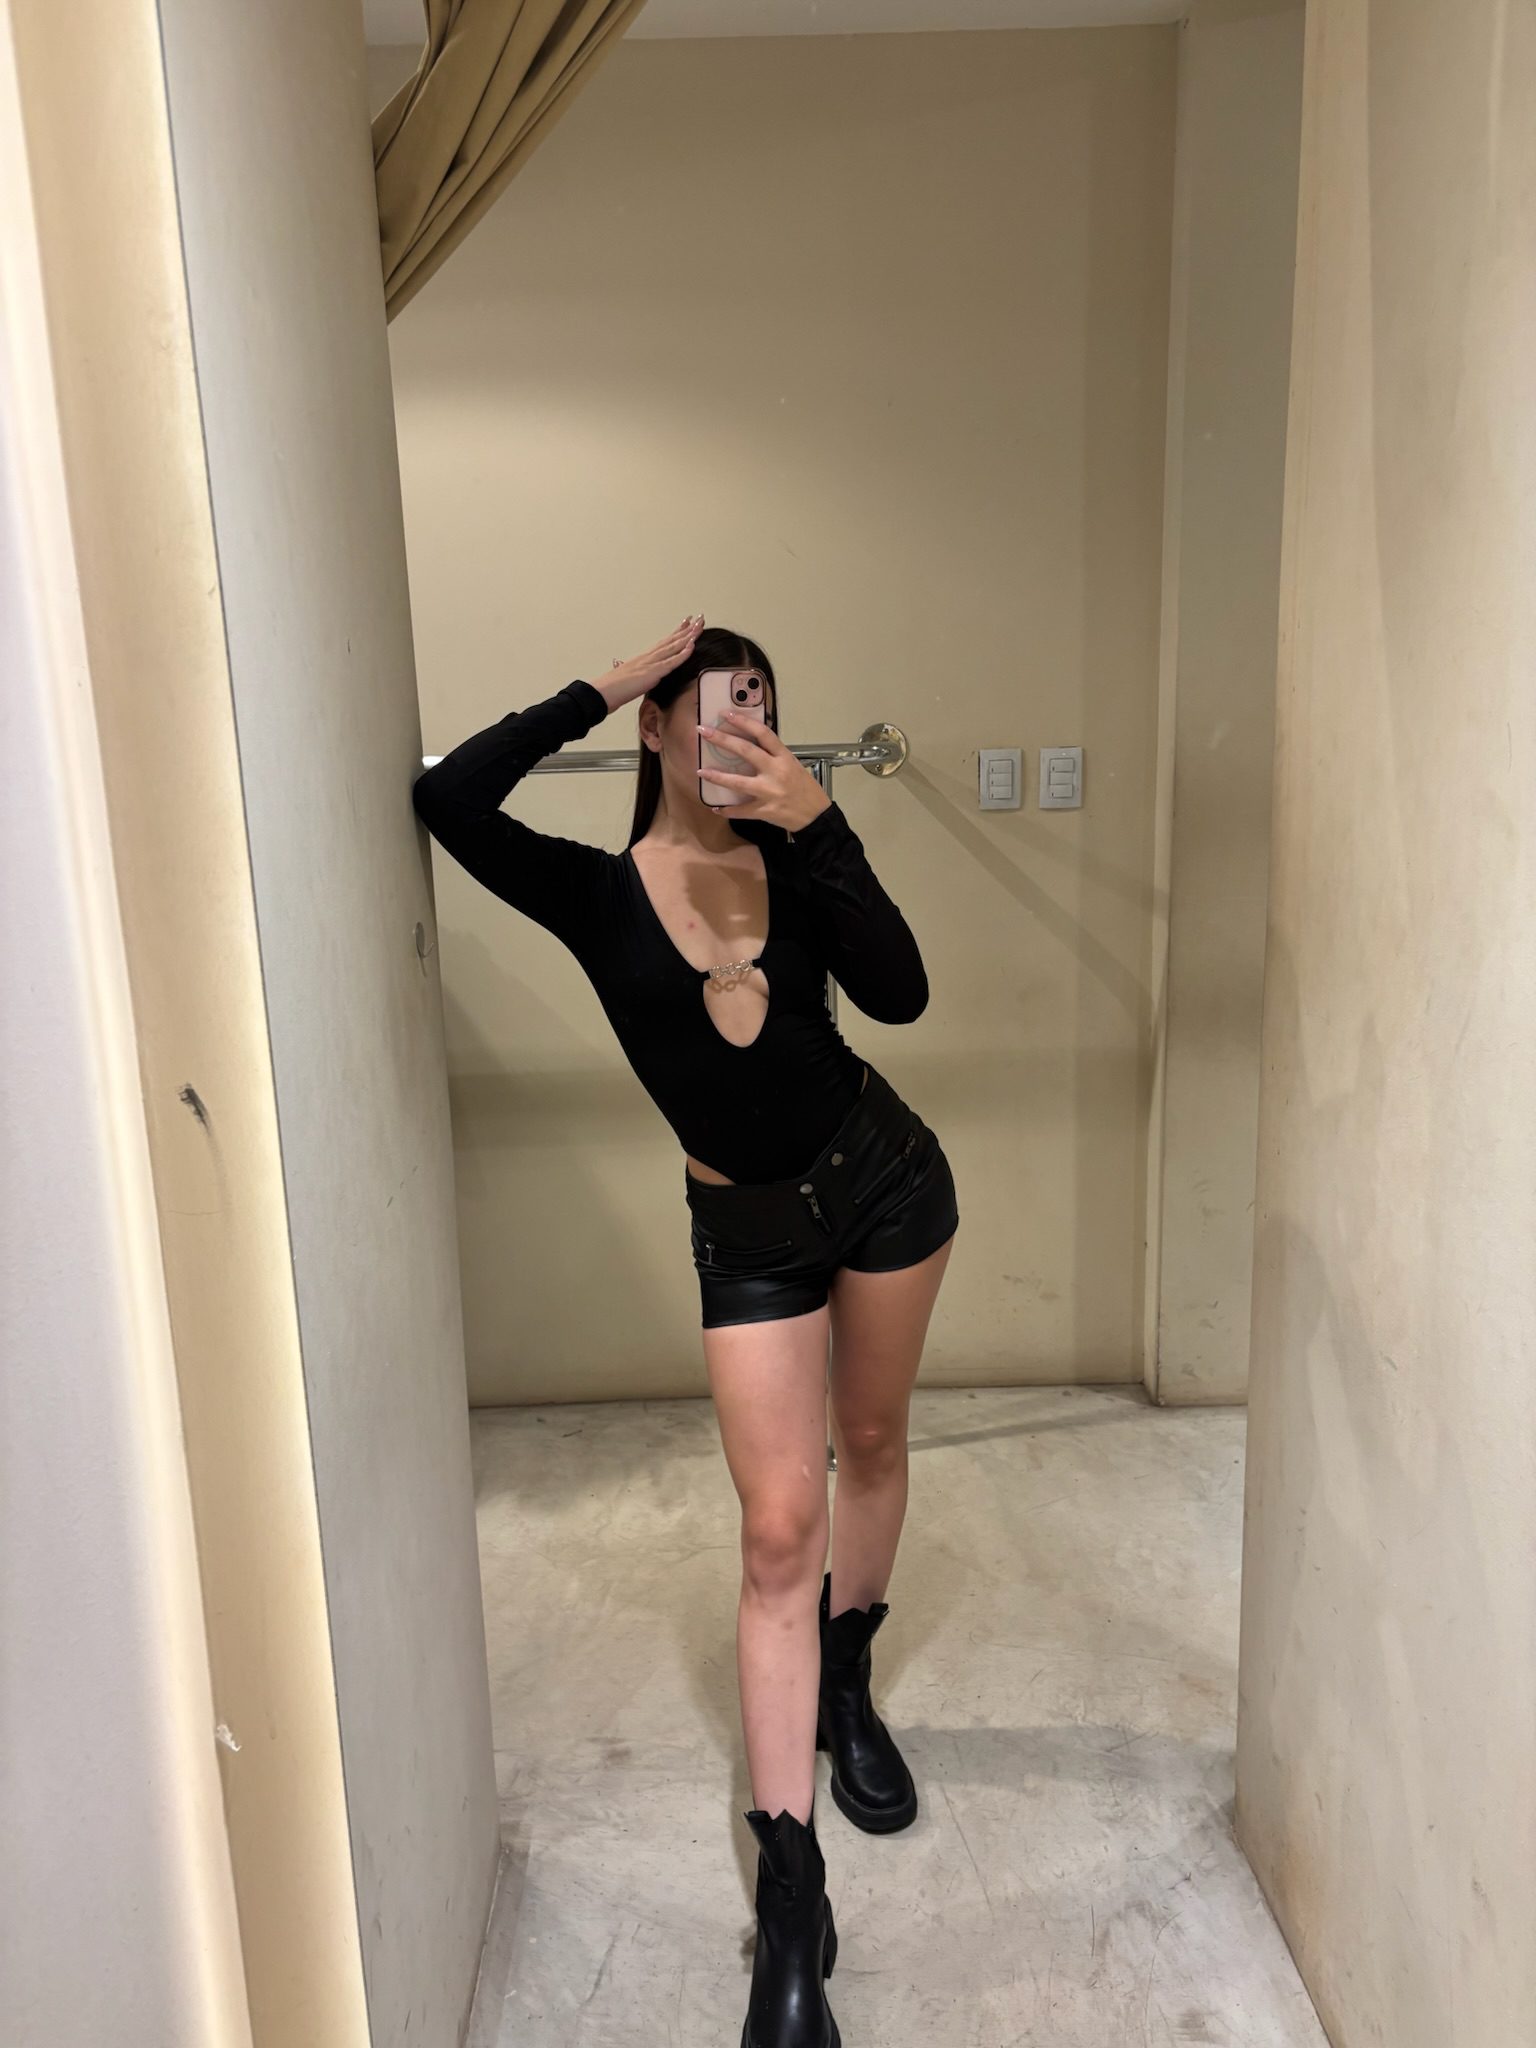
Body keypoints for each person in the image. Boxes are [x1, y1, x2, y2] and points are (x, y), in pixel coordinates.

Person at [413, 616, 960, 2048]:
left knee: (872, 1439)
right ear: (658, 728)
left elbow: (900, 994)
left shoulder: (796, 853)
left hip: (887, 1182)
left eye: (760, 709)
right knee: (778, 1531)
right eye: (711, 708)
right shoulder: (596, 892)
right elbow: (449, 797)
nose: (739, 734)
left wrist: (823, 823)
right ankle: (793, 1906)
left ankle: (849, 1689)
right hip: (750, 1240)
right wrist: (600, 687)